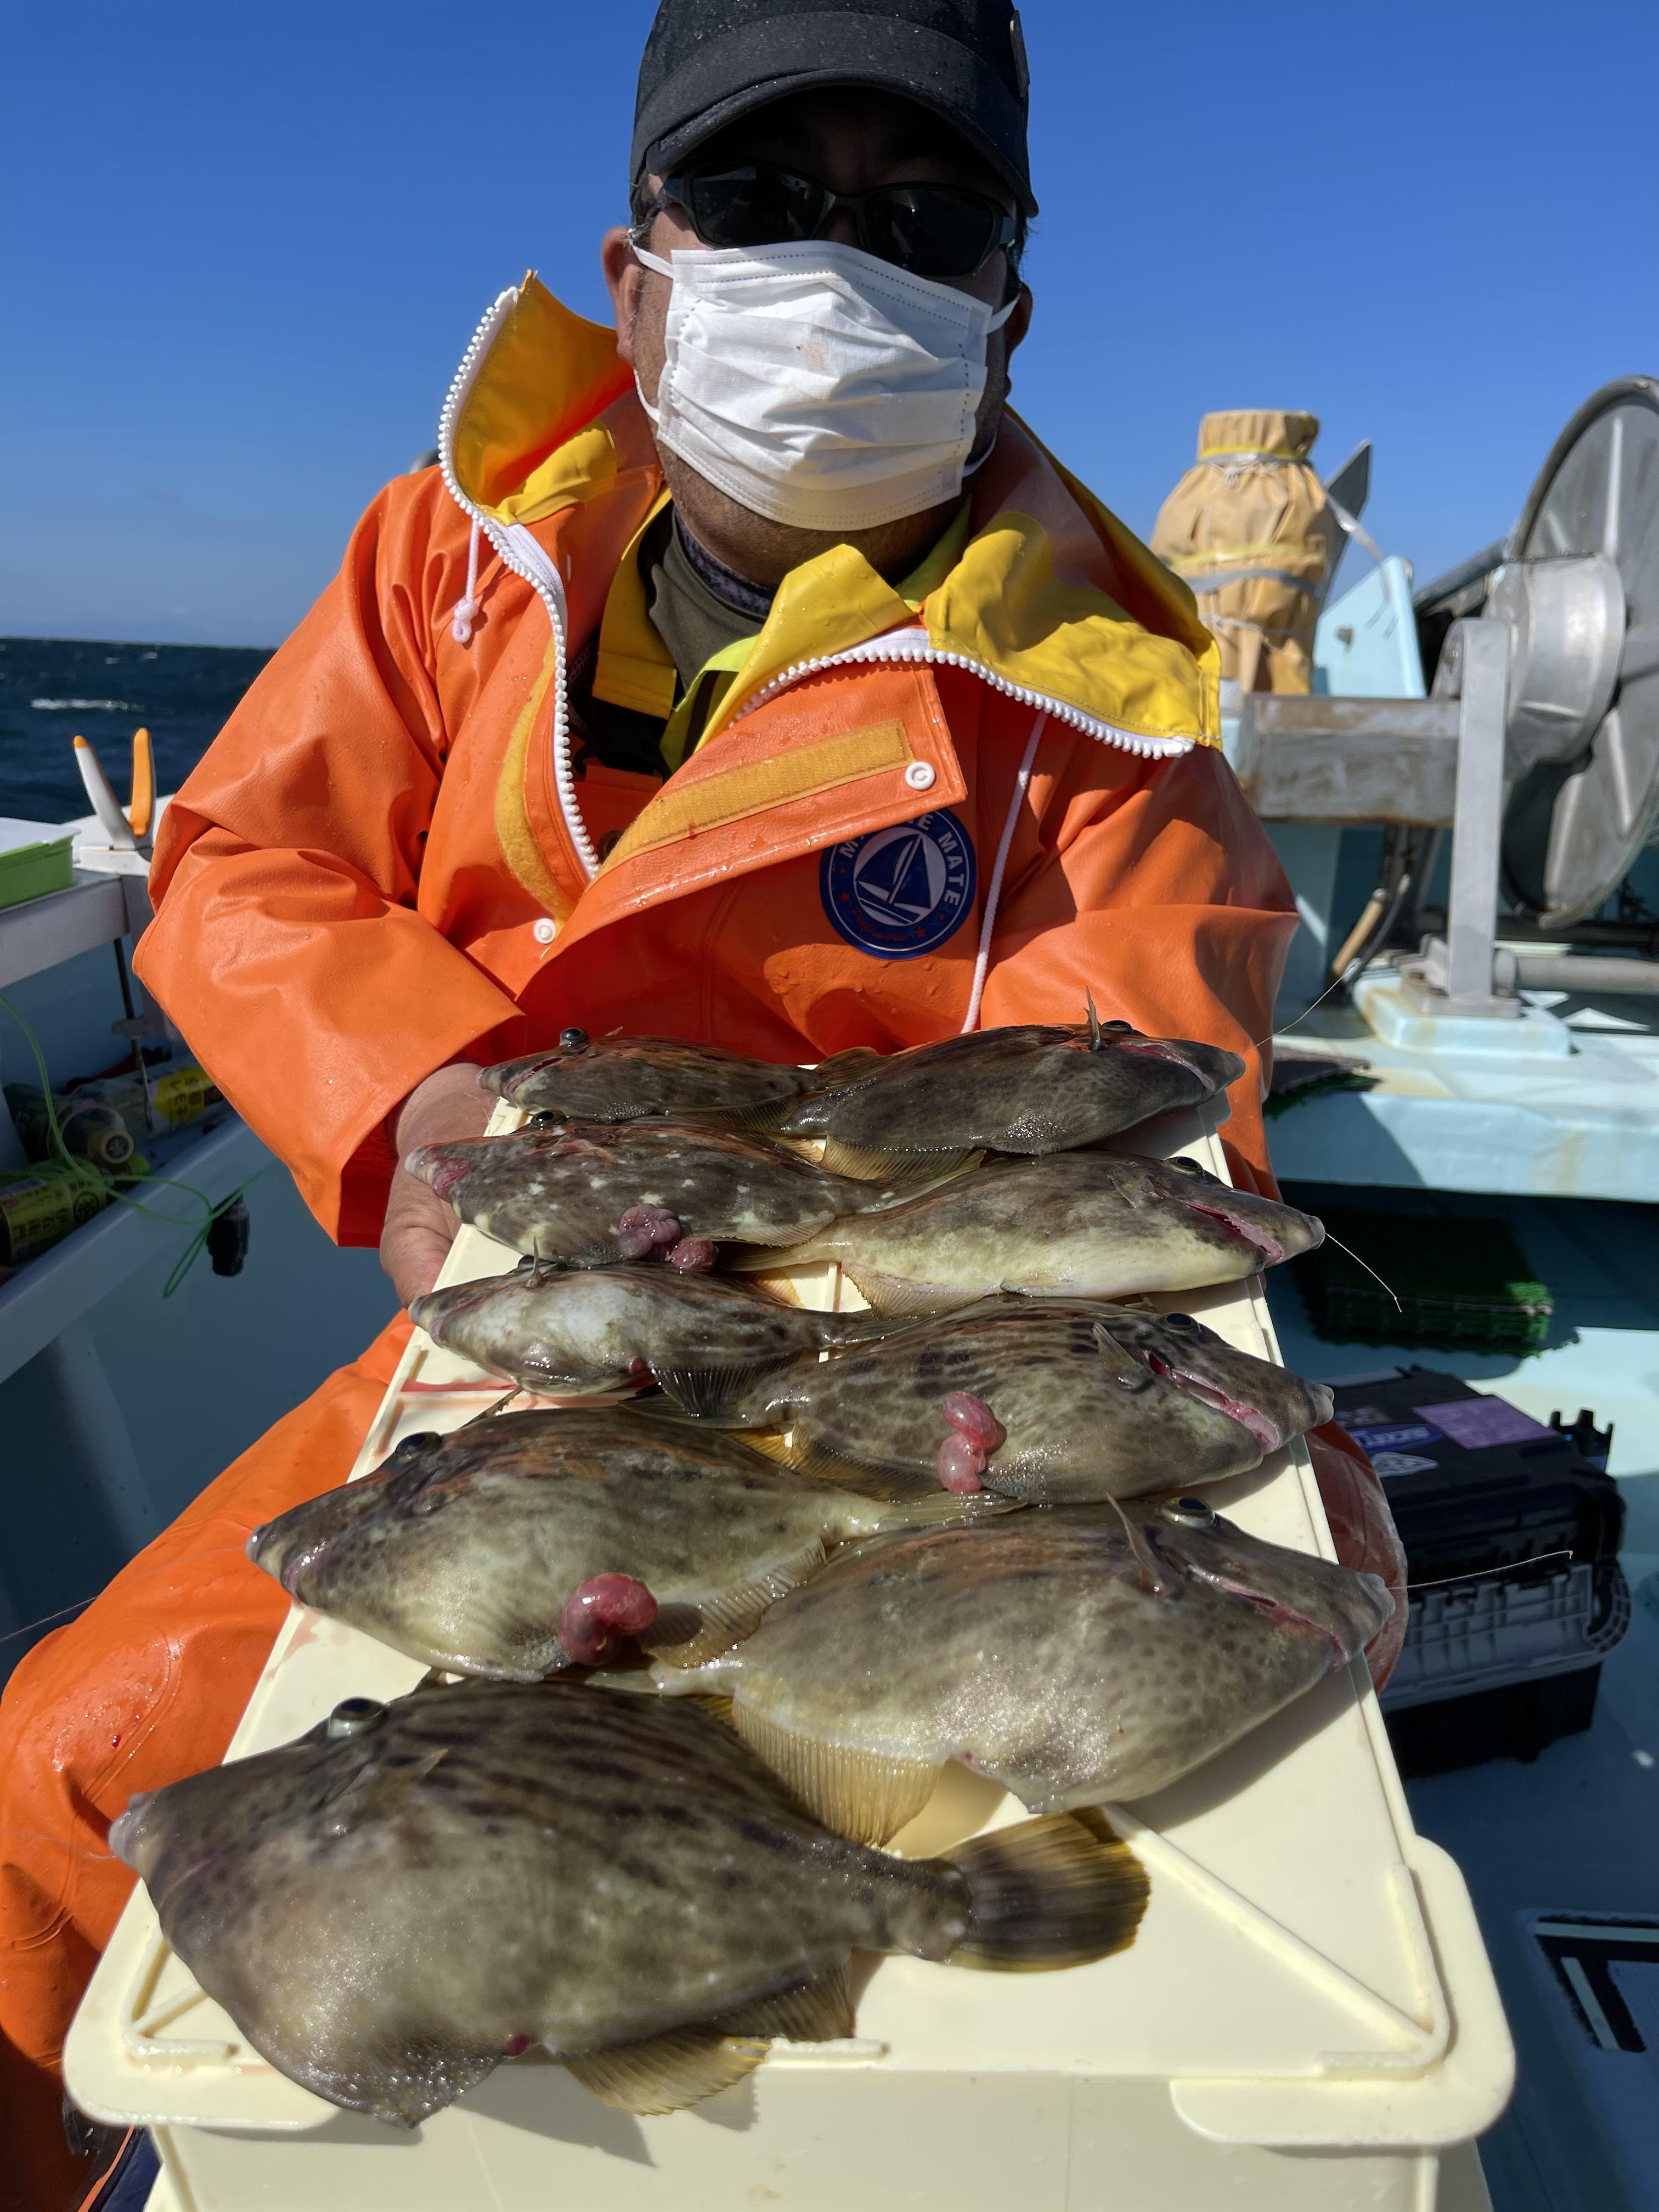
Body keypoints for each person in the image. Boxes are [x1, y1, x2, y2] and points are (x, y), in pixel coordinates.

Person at [0, 0, 1406, 2172]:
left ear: (1008, 308)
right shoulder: (445, 563)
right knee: (51, 1783)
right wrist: (420, 1100)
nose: (838, 265)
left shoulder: (1112, 717)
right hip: (505, 1380)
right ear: (639, 266)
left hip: (920, 1399)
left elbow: (1147, 1111)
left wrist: (1199, 1442)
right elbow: (244, 853)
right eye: (757, 199)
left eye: (918, 216)